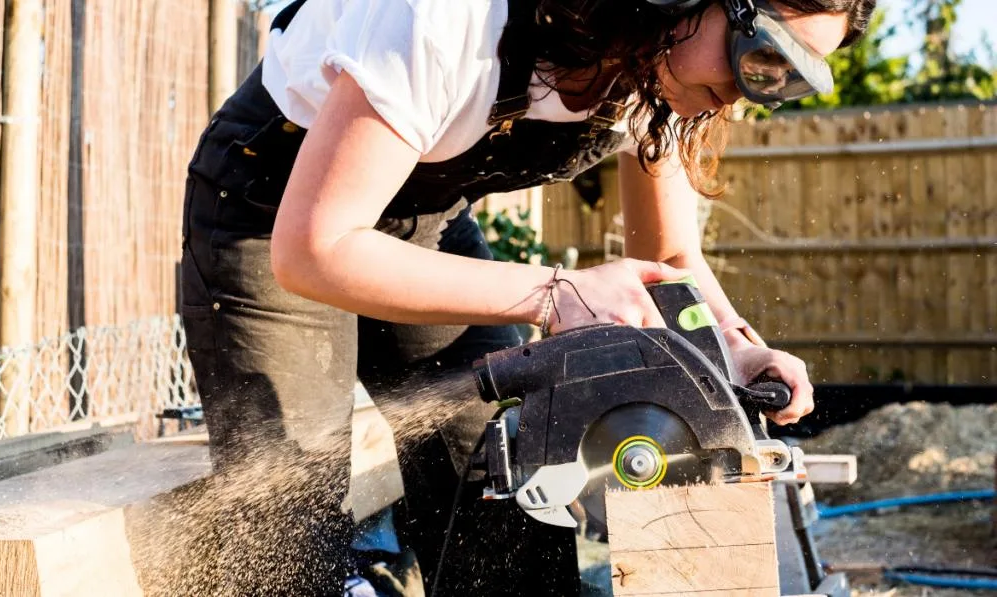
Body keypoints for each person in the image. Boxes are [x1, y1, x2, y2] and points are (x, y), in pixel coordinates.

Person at [179, 0, 875, 594]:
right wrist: (554, 292)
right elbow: (316, 247)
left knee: (504, 497)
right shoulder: (452, 17)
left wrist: (732, 349)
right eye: (760, 55)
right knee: (294, 536)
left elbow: (666, 257)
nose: (752, 89)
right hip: (271, 212)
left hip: (425, 219)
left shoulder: (648, 61)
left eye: (786, 81)